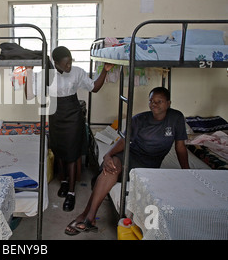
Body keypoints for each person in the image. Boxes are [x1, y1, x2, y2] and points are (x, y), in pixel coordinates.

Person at [65, 86, 190, 235]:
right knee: (110, 168)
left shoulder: (176, 118)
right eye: (151, 101)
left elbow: (180, 147)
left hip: (149, 165)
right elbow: (123, 142)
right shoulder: (139, 119)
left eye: (159, 101)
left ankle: (85, 215)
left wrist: (187, 172)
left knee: (109, 170)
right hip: (130, 156)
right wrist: (108, 156)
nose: (154, 104)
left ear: (168, 103)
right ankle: (90, 216)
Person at [25, 46, 114, 212]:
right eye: (65, 64)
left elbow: (94, 87)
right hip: (55, 114)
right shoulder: (46, 75)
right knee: (59, 149)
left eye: (70, 62)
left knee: (72, 154)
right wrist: (28, 73)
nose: (69, 67)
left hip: (73, 114)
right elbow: (29, 95)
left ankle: (71, 193)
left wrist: (105, 71)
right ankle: (64, 182)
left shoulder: (77, 72)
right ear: (55, 63)